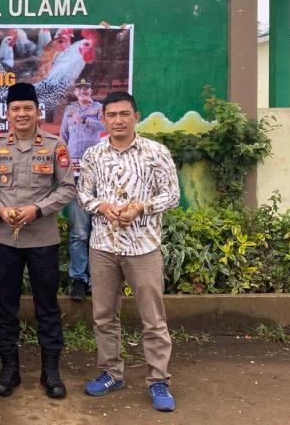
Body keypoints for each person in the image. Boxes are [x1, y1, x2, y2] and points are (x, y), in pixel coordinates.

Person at [77, 91, 180, 412]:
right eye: (112, 115)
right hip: (103, 247)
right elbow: (83, 194)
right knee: (104, 316)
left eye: (124, 114)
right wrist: (101, 207)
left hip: (143, 247)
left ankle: (158, 380)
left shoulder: (155, 152)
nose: (118, 120)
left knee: (153, 319)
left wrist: (142, 207)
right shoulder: (93, 155)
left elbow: (172, 195)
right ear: (103, 119)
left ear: (136, 116)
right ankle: (111, 372)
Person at [0, 82, 76, 399]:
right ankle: (9, 370)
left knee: (47, 308)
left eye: (27, 108)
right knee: (5, 308)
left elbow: (67, 189)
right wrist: (2, 210)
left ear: (37, 111)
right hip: (6, 239)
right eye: (15, 109)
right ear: (7, 113)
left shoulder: (54, 145)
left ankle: (51, 372)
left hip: (43, 240)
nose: (21, 114)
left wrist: (37, 210)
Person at [59, 78, 104, 301]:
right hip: (75, 175)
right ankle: (78, 279)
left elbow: (103, 127)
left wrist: (84, 120)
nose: (83, 92)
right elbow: (63, 137)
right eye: (80, 89)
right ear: (75, 91)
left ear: (91, 91)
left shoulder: (98, 108)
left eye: (87, 89)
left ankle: (98, 280)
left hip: (98, 176)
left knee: (101, 231)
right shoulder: (69, 109)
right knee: (79, 231)